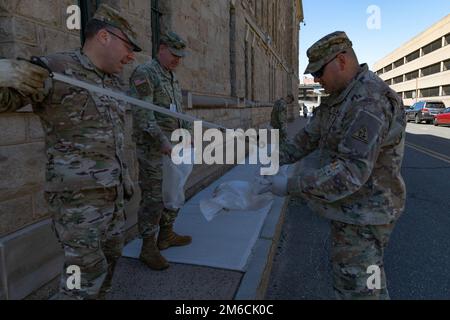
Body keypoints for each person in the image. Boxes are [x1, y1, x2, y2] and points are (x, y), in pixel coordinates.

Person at [0, 4, 140, 299]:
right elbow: (6, 101)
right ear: (104, 36)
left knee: (110, 263)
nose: (131, 56)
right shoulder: (55, 69)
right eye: (129, 47)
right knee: (82, 278)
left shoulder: (113, 82)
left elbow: (112, 137)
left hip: (112, 196)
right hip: (78, 202)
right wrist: (5, 73)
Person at [259, 31, 406, 300]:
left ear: (341, 60)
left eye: (318, 72)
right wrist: (274, 157)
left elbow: (351, 171)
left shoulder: (369, 102)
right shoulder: (340, 98)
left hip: (366, 213)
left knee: (357, 289)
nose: (315, 80)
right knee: (367, 284)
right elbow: (308, 138)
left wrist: (290, 185)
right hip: (350, 208)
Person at [129, 31, 192, 270]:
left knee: (173, 191)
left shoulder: (171, 77)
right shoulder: (145, 73)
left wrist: (187, 134)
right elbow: (143, 114)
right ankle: (148, 247)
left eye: (180, 56)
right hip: (154, 150)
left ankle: (166, 235)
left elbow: (178, 111)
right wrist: (163, 141)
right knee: (154, 198)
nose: (177, 59)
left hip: (175, 147)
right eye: (174, 54)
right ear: (161, 49)